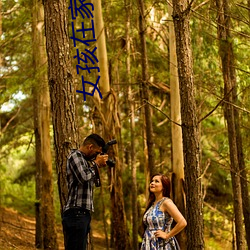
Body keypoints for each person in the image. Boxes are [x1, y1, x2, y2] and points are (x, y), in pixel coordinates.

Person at [62, 134, 109, 250]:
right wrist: (96, 164)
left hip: (83, 214)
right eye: (97, 152)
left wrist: (97, 167)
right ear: (90, 147)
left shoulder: (86, 162)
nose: (97, 156)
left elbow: (95, 182)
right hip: (76, 213)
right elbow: (84, 177)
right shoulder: (75, 156)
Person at [141, 173, 187, 250]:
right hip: (149, 244)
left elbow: (182, 222)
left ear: (164, 187)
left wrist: (167, 235)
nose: (152, 183)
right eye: (152, 181)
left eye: (156, 181)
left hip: (162, 245)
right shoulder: (152, 204)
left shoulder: (166, 202)